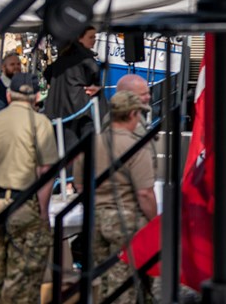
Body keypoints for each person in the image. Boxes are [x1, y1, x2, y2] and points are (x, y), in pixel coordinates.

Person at [0, 72, 59, 303]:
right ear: (35, 98)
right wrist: (43, 212)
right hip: (24, 204)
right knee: (24, 277)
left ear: (9, 97)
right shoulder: (39, 123)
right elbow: (46, 171)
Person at [75, 91, 157, 304]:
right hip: (125, 220)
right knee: (125, 285)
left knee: (103, 280)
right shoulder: (136, 147)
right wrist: (153, 221)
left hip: (95, 220)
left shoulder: (90, 144)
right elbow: (145, 193)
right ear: (132, 114)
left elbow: (80, 186)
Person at [44, 26, 102, 147]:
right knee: (86, 146)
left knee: (67, 147)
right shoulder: (85, 56)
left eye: (95, 37)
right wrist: (97, 86)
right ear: (79, 39)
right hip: (80, 108)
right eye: (91, 37)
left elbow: (47, 72)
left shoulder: (63, 57)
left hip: (59, 110)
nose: (94, 40)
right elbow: (95, 71)